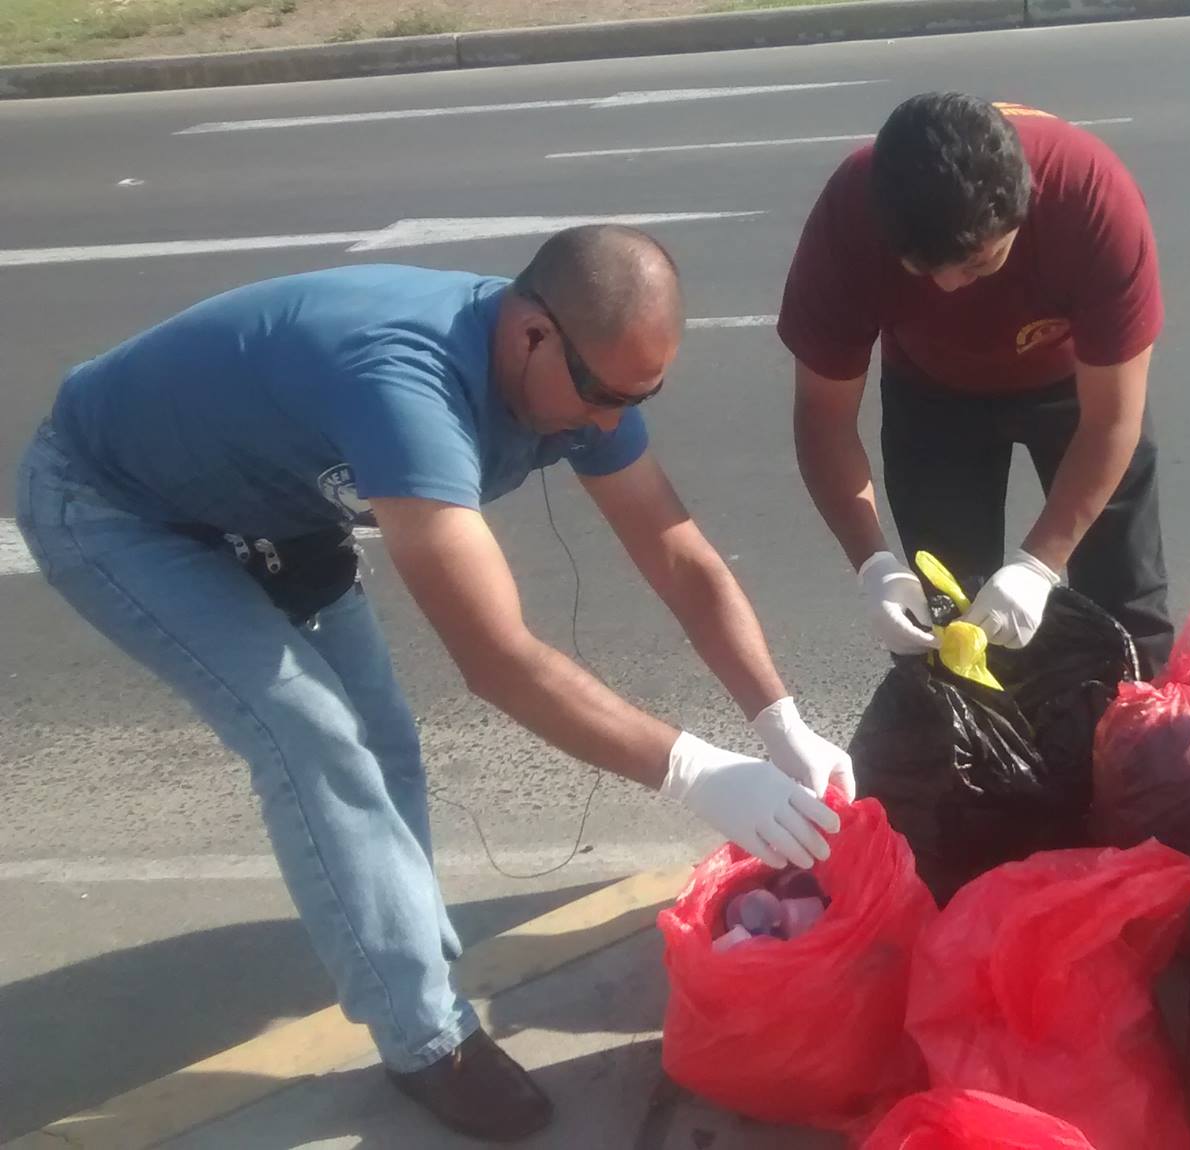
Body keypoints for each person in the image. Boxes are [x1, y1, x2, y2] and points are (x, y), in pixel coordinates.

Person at [15, 226, 849, 1142]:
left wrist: (780, 722)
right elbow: (497, 660)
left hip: (270, 510)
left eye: (639, 398)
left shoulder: (579, 370)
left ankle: (405, 959)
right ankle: (425, 1036)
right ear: (531, 334)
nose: (609, 423)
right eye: (604, 396)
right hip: (118, 506)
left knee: (384, 743)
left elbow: (678, 554)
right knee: (313, 741)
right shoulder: (404, 386)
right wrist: (695, 771)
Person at [781, 91, 1176, 674]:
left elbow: (1112, 420)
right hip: (932, 390)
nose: (948, 288)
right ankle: (984, 761)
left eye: (979, 264)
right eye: (921, 268)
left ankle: (1137, 751)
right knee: (948, 621)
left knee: (1125, 606)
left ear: (1024, 209)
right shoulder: (849, 217)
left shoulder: (1090, 196)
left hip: (1074, 385)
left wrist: (1039, 564)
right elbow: (824, 420)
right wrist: (874, 565)